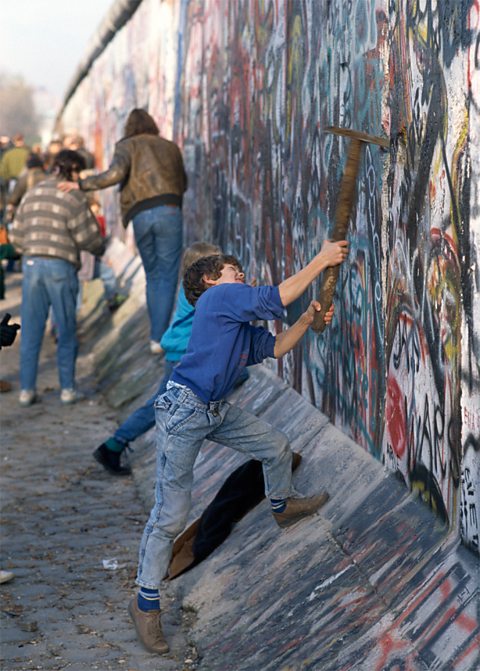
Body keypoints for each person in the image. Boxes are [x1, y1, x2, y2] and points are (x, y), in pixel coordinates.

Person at [129, 238, 349, 654]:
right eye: (233, 271)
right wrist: (322, 259)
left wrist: (305, 319)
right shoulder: (217, 300)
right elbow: (276, 295)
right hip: (183, 410)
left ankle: (282, 506)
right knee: (170, 516)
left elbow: (277, 346)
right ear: (212, 281)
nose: (240, 275)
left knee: (275, 446)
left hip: (211, 409)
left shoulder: (233, 324)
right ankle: (145, 603)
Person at [58, 108, 188, 354]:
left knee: (153, 276)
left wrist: (81, 185)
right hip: (171, 211)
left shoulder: (126, 146)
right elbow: (184, 181)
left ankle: (156, 337)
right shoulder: (170, 147)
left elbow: (115, 174)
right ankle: (163, 336)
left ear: (129, 127)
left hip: (141, 214)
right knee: (169, 275)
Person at [93, 241, 222, 476]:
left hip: (181, 356)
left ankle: (114, 444)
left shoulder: (193, 288)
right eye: (217, 267)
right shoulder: (201, 293)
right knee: (160, 405)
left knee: (162, 403)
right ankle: (114, 444)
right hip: (182, 358)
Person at [10, 150, 105, 406]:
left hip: (31, 266)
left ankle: (26, 390)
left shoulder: (33, 193)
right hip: (60, 268)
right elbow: (90, 239)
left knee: (30, 331)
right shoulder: (72, 195)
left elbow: (16, 236)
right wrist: (100, 248)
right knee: (65, 329)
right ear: (72, 170)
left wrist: (30, 248)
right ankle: (67, 389)